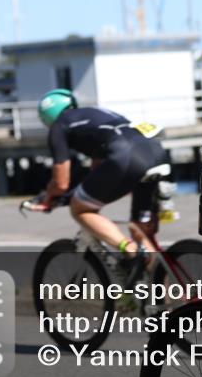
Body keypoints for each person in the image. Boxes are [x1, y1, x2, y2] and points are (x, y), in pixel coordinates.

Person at [37, 89, 169, 265]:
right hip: (155, 153)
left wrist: (47, 197)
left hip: (127, 157)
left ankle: (129, 250)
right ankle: (167, 287)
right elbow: (97, 172)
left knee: (80, 209)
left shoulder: (60, 125)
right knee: (140, 229)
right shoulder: (97, 114)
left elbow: (61, 183)